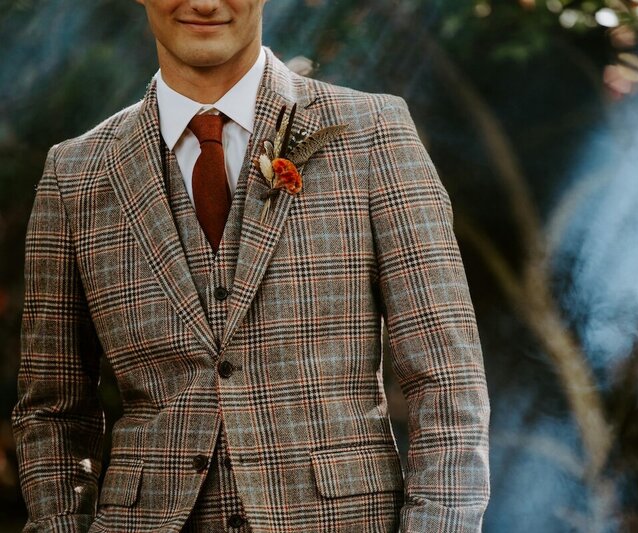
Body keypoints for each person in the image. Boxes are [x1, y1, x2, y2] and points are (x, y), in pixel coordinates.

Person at [11, 0, 490, 531]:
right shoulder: (75, 174)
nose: (204, 3)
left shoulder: (371, 132)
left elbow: (447, 380)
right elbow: (52, 409)